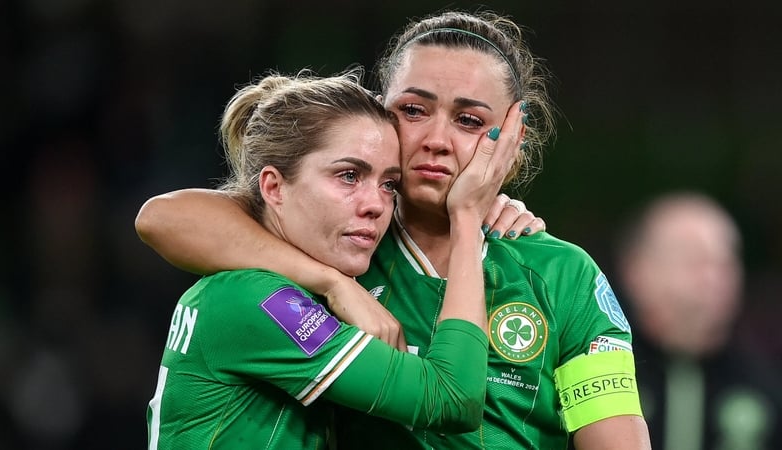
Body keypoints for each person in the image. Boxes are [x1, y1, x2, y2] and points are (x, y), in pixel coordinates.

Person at [136, 10, 650, 449]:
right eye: (413, 110)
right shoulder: (338, 248)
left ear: (513, 137)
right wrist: (329, 281)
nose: (436, 139)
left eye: (469, 121)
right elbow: (162, 218)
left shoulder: (562, 274)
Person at [145, 69, 527, 448]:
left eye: (388, 184)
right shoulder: (260, 298)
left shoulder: (266, 279)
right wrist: (466, 218)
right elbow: (450, 399)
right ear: (274, 187)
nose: (376, 205)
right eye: (348, 176)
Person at [613, 191, 782, 450]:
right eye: (695, 260)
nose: (716, 277)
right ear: (637, 269)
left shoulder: (765, 384)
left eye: (726, 261)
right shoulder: (599, 370)